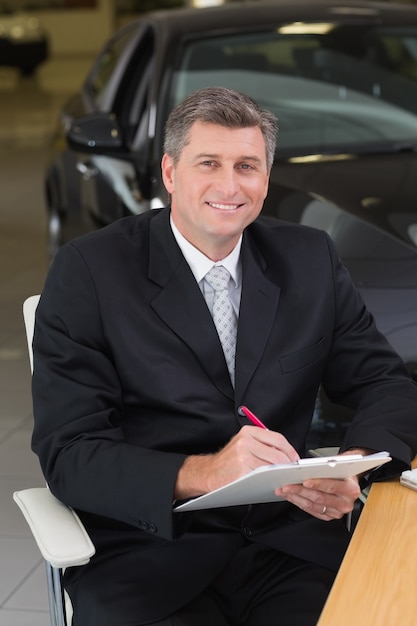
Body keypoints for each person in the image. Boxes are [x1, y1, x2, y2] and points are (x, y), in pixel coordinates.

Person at [31, 86, 417, 626]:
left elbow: (386, 383)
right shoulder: (89, 273)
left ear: (266, 178)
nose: (229, 186)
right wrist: (206, 472)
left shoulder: (309, 259)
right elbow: (69, 452)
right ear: (169, 173)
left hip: (290, 549)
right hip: (150, 558)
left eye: (247, 166)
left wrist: (354, 463)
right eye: (208, 163)